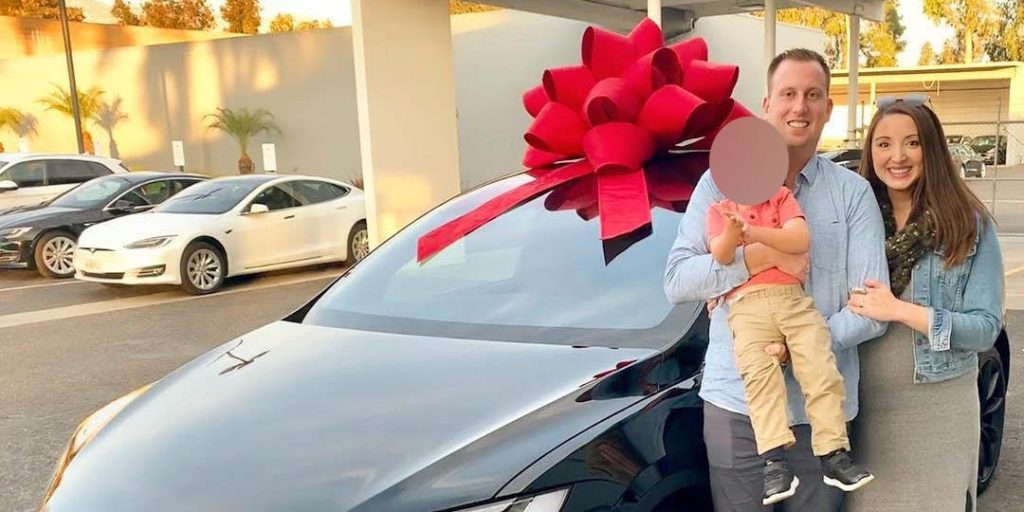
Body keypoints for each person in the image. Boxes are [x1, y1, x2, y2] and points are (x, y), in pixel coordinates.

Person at [664, 48, 889, 512]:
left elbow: (871, 308)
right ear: (766, 104)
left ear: (828, 107)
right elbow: (679, 281)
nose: (799, 106)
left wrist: (798, 345)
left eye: (813, 95)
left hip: (819, 418)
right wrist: (755, 257)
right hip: (736, 406)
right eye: (787, 94)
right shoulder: (717, 185)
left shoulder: (852, 194)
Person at [842, 97, 1004, 512]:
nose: (897, 156)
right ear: (871, 152)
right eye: (883, 144)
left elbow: (985, 328)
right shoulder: (854, 222)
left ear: (931, 149)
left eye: (912, 143)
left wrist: (900, 310)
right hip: (860, 408)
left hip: (939, 409)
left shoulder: (968, 224)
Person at [706, 184, 872, 506]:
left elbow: (799, 240)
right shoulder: (719, 209)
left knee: (821, 369)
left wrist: (752, 234)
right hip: (747, 307)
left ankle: (833, 453)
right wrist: (733, 232)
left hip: (792, 300)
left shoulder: (780, 197)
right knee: (760, 383)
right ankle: (773, 462)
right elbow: (721, 256)